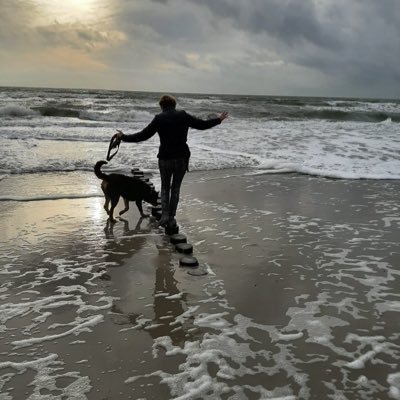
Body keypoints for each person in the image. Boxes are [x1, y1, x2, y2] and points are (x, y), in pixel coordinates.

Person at [116, 95, 228, 229]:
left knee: (165, 187)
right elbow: (202, 125)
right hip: (182, 157)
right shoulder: (183, 115)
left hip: (165, 158)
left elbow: (142, 135)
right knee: (175, 188)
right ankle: (172, 218)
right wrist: (218, 120)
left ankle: (164, 216)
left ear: (162, 106)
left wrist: (123, 137)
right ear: (174, 105)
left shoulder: (159, 119)